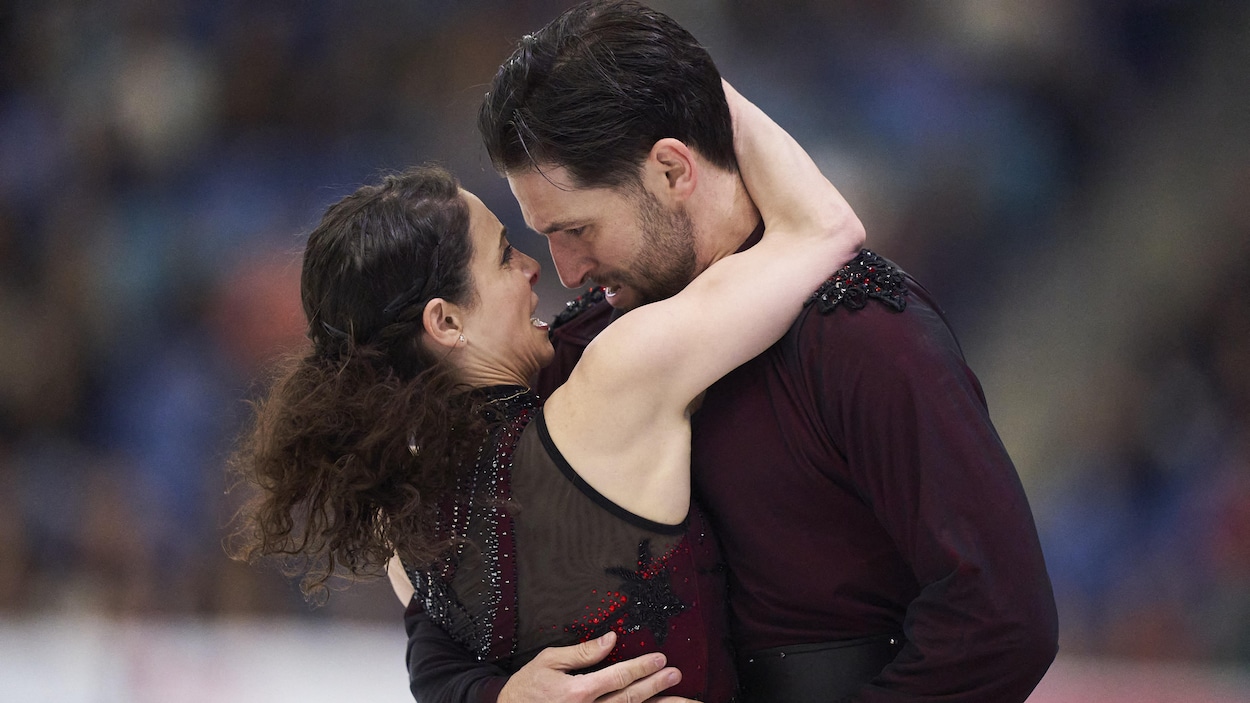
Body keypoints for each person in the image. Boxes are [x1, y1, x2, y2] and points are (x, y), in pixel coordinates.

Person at [402, 2, 1059, 702]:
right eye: (543, 236)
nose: (564, 271)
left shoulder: (865, 333)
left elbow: (1002, 621)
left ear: (672, 170)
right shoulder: (587, 349)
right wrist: (496, 697)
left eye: (578, 228)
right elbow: (442, 613)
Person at [228, 70, 864, 701]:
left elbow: (437, 671)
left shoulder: (408, 538)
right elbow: (826, 232)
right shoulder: (617, 382)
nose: (535, 268)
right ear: (446, 322)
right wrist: (694, 82)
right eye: (505, 254)